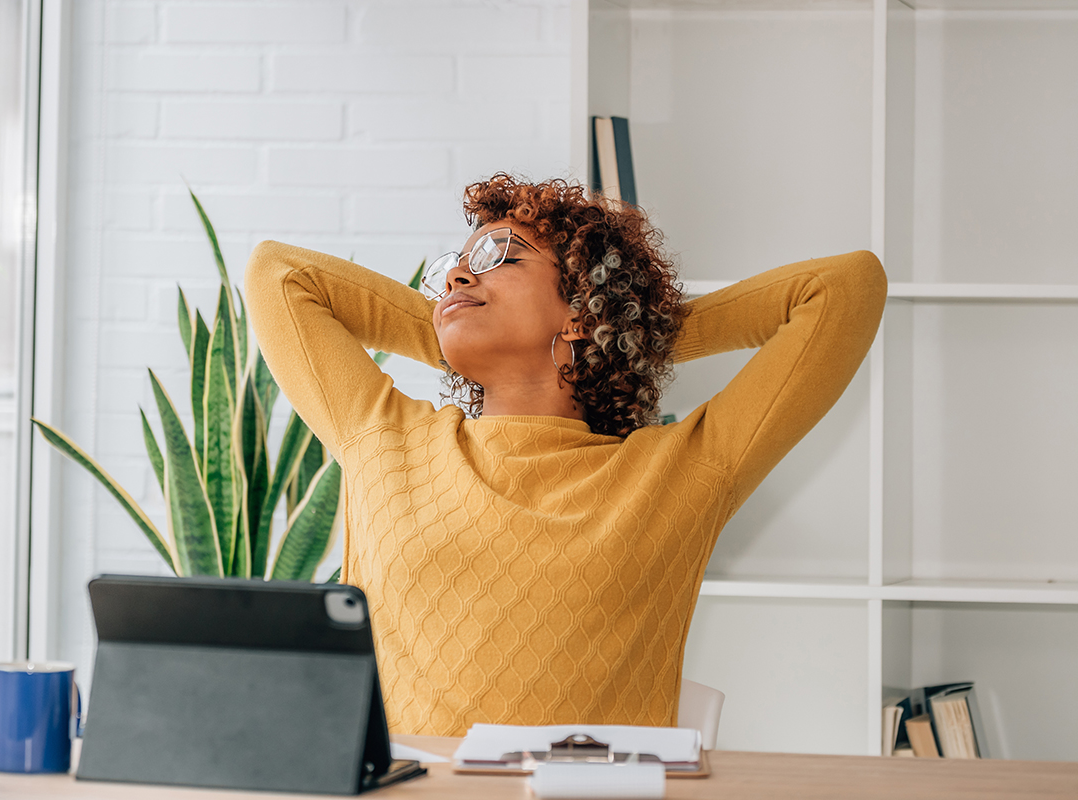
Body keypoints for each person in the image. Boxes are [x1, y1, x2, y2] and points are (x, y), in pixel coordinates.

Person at [244, 173, 886, 737]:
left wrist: (633, 327)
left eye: (503, 257)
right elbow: (278, 273)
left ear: (581, 311)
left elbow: (846, 287)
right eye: (455, 266)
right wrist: (455, 317)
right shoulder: (384, 439)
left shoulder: (677, 472)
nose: (458, 275)